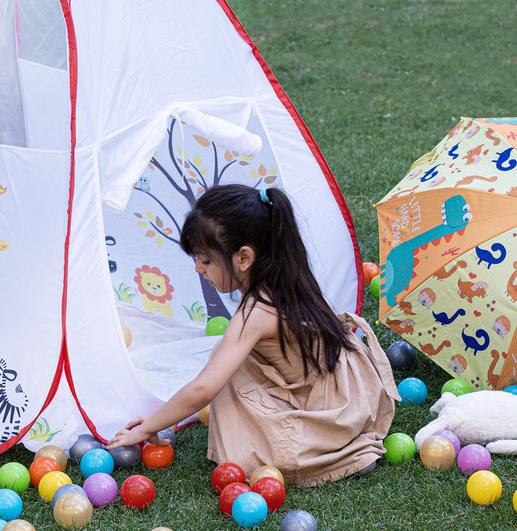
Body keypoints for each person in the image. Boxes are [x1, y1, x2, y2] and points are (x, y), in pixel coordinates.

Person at [107, 183, 399, 486]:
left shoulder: (257, 312)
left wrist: (149, 426)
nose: (198, 269)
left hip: (330, 410)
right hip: (347, 390)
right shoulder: (287, 275)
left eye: (206, 260)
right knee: (227, 353)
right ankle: (338, 442)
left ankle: (334, 451)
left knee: (228, 373)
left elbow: (203, 390)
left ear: (244, 258)